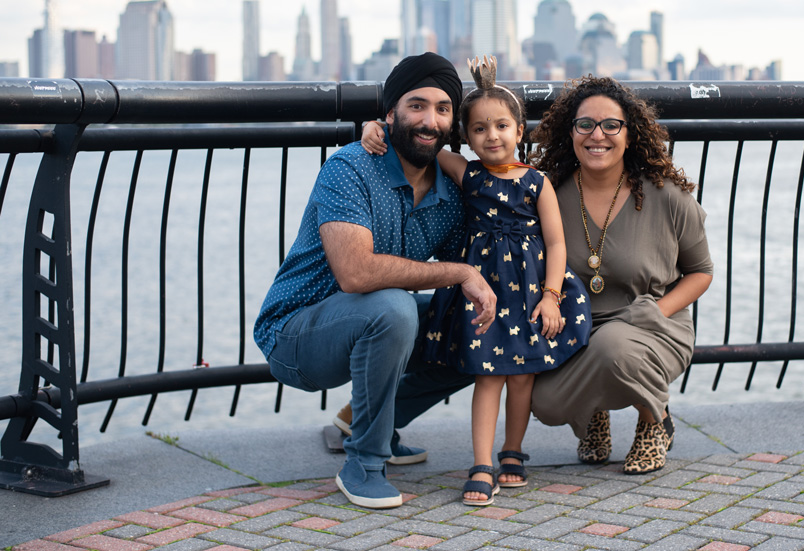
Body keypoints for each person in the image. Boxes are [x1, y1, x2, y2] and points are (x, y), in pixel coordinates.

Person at [252, 52, 497, 509]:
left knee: (475, 320)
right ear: (389, 114)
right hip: (294, 335)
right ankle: (363, 463)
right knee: (393, 307)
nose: (429, 120)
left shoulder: (449, 194)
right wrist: (462, 273)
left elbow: (471, 267)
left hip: (373, 320)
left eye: (443, 109)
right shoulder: (350, 168)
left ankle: (373, 428)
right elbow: (356, 274)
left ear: (453, 125)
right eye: (416, 106)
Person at [362, 56, 591, 506]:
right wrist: (376, 127)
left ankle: (513, 453)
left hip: (528, 292)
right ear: (465, 137)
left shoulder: (537, 182)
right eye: (480, 129)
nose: (492, 136)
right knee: (488, 377)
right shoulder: (465, 173)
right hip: (486, 295)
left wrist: (551, 297)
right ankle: (481, 461)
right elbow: (415, 141)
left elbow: (558, 245)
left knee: (522, 378)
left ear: (520, 131)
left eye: (502, 126)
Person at [528, 75, 713, 475]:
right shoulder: (547, 196)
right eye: (586, 125)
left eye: (612, 125)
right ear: (571, 132)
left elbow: (701, 272)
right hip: (577, 333)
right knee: (541, 400)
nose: (599, 135)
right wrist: (377, 132)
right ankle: (592, 413)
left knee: (615, 348)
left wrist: (659, 311)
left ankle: (653, 419)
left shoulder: (669, 197)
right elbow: (481, 164)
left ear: (630, 134)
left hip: (652, 326)